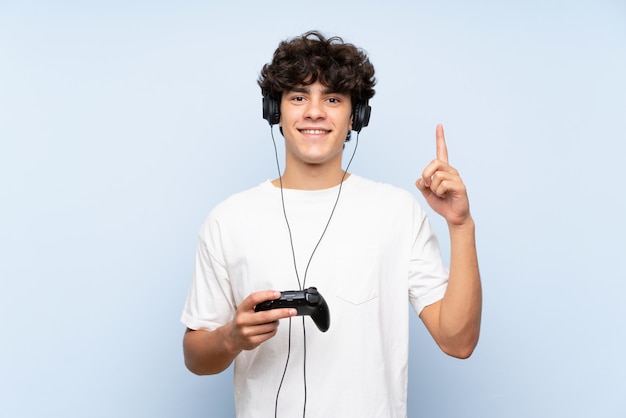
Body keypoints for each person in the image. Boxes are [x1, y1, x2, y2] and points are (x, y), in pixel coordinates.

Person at [181, 30, 482, 417]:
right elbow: (195, 356)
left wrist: (461, 225)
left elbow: (458, 342)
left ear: (356, 117)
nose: (314, 112)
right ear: (275, 110)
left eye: (333, 99)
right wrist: (230, 338)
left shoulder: (396, 211)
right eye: (298, 97)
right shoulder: (228, 219)